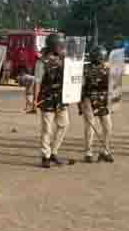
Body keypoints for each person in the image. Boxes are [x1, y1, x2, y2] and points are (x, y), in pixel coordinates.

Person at [34, 33, 72, 168]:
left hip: (61, 98)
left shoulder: (65, 60)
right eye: (60, 45)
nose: (62, 48)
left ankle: (54, 151)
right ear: (53, 46)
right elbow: (37, 82)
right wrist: (34, 100)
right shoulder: (41, 62)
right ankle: (45, 156)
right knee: (47, 129)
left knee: (64, 125)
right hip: (47, 98)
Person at [78, 45, 114, 163]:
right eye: (99, 56)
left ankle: (105, 151)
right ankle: (88, 152)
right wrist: (80, 104)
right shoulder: (85, 69)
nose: (101, 58)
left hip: (103, 100)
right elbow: (81, 87)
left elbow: (112, 87)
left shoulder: (107, 68)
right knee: (90, 125)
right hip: (88, 99)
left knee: (108, 126)